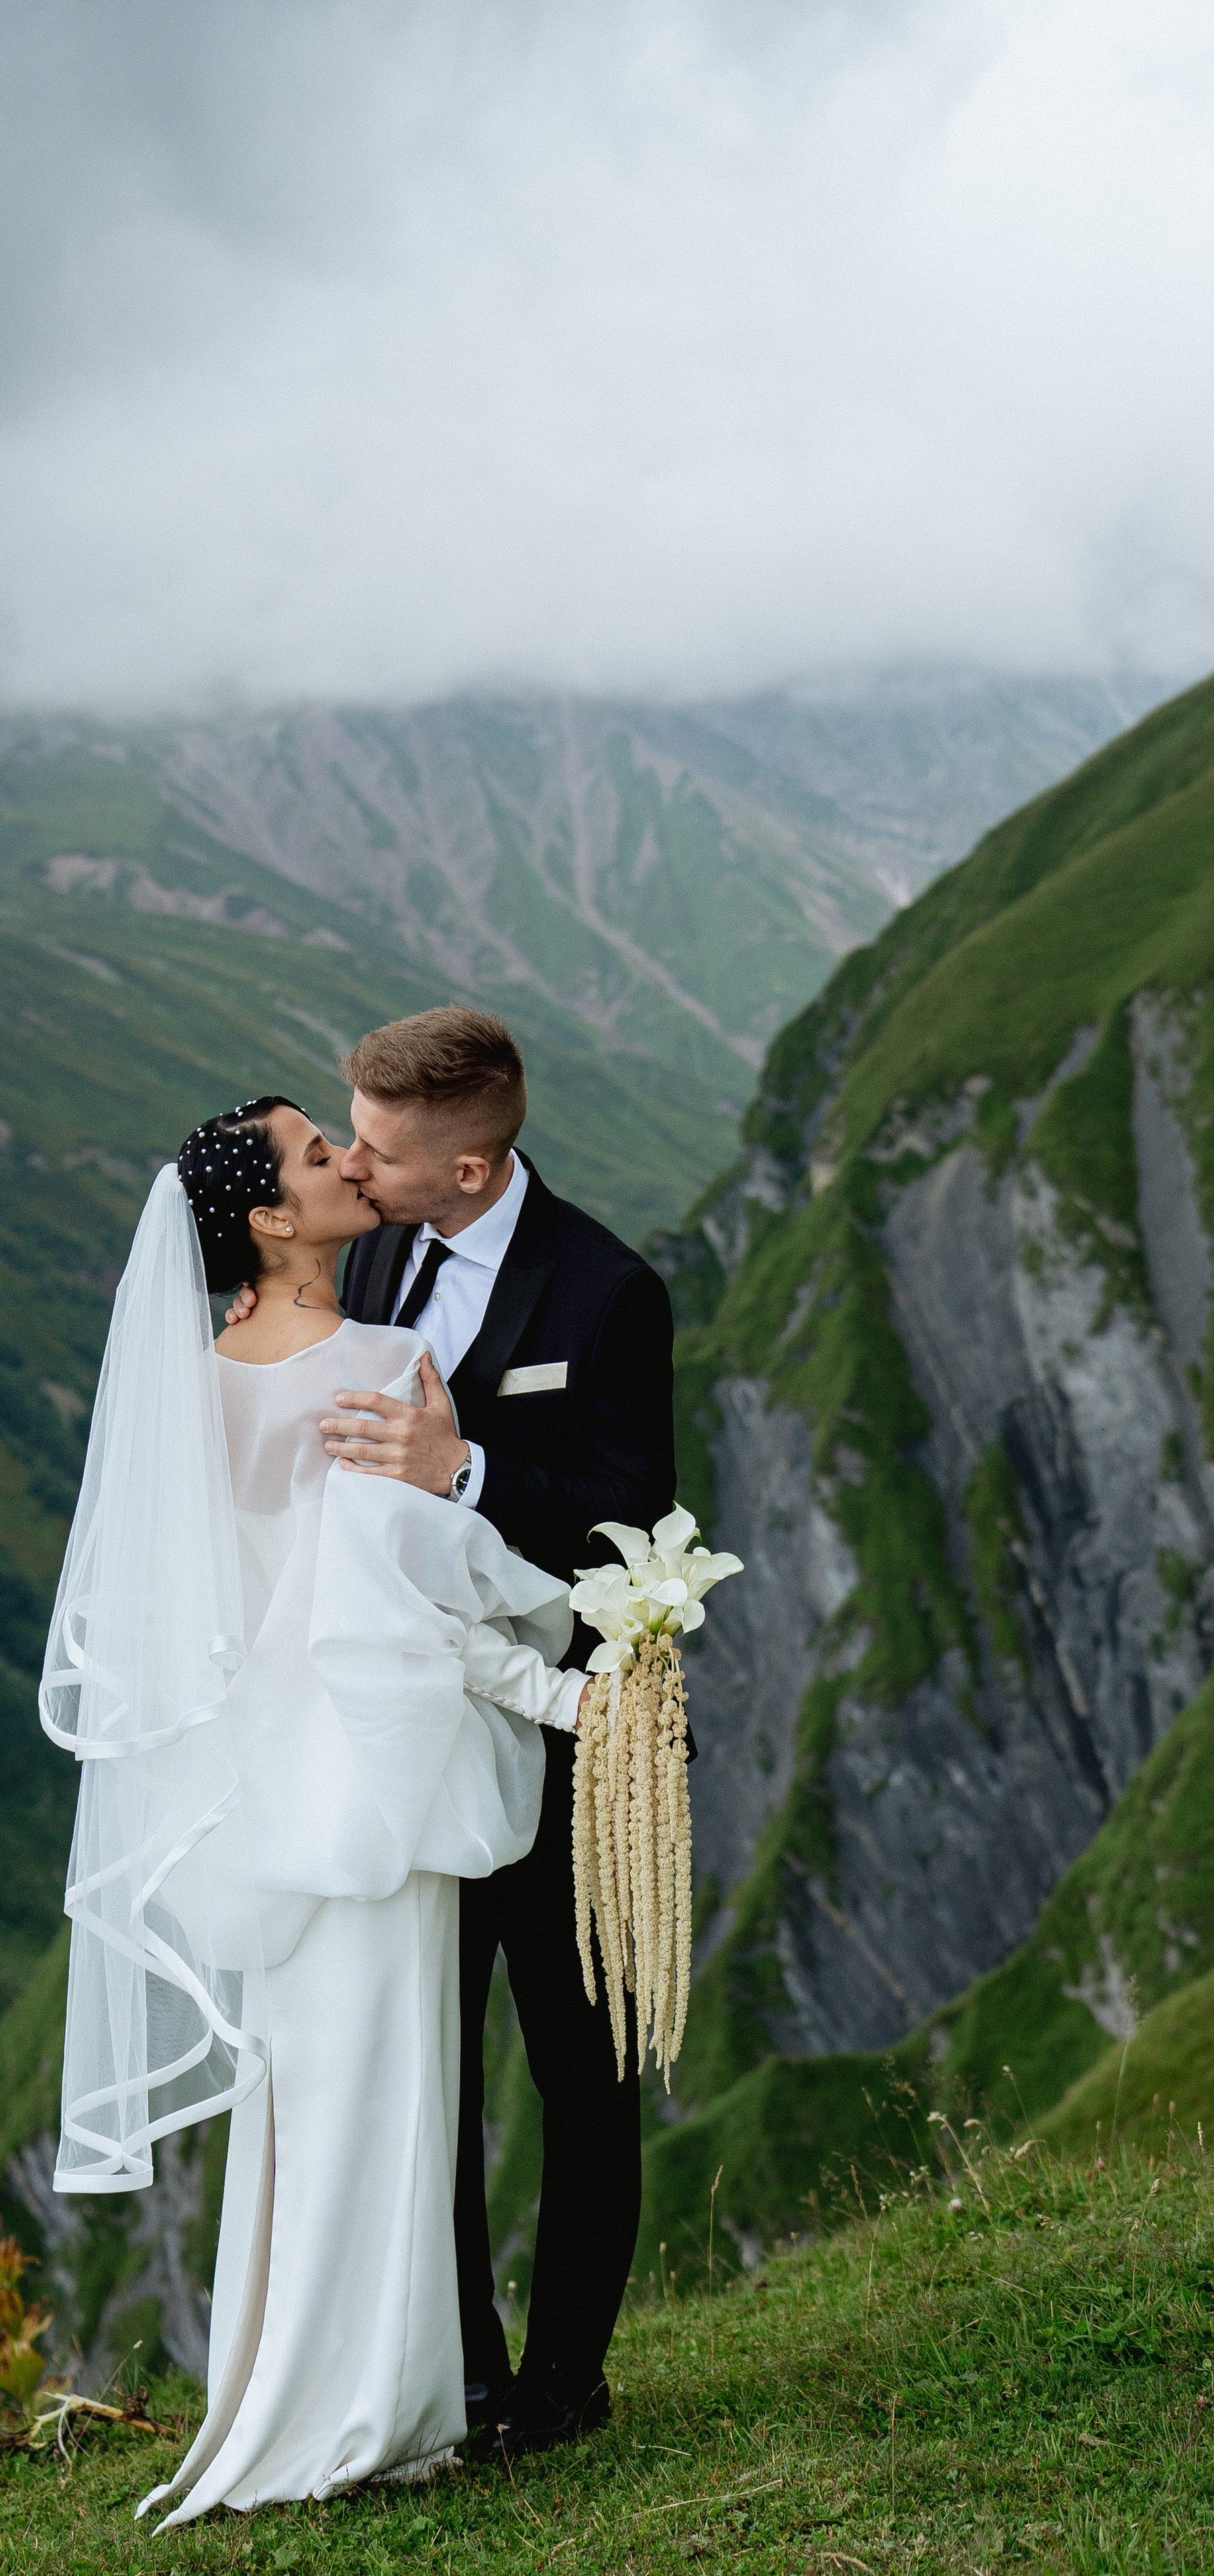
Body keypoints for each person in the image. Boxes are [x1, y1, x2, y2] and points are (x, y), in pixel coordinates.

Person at [42, 1097, 588, 2528]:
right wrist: (569, 1687)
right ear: (272, 1220)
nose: (350, 1163)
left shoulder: (195, 1383)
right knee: (395, 2093)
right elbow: (413, 1599)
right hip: (379, 1781)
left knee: (306, 2105)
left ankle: (299, 2398)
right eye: (315, 1155)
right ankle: (370, 2414)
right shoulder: (384, 1365)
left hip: (261, 1797)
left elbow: (198, 1617)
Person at [240, 1006, 676, 2453]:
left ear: (473, 1172)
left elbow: (632, 1525)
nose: (351, 1167)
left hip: (559, 1746)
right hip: (397, 1755)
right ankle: (462, 2378)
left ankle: (563, 2388)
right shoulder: (367, 1246)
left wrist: (467, 1466)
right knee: (423, 2065)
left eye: (374, 1148)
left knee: (578, 2064)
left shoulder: (607, 1292)